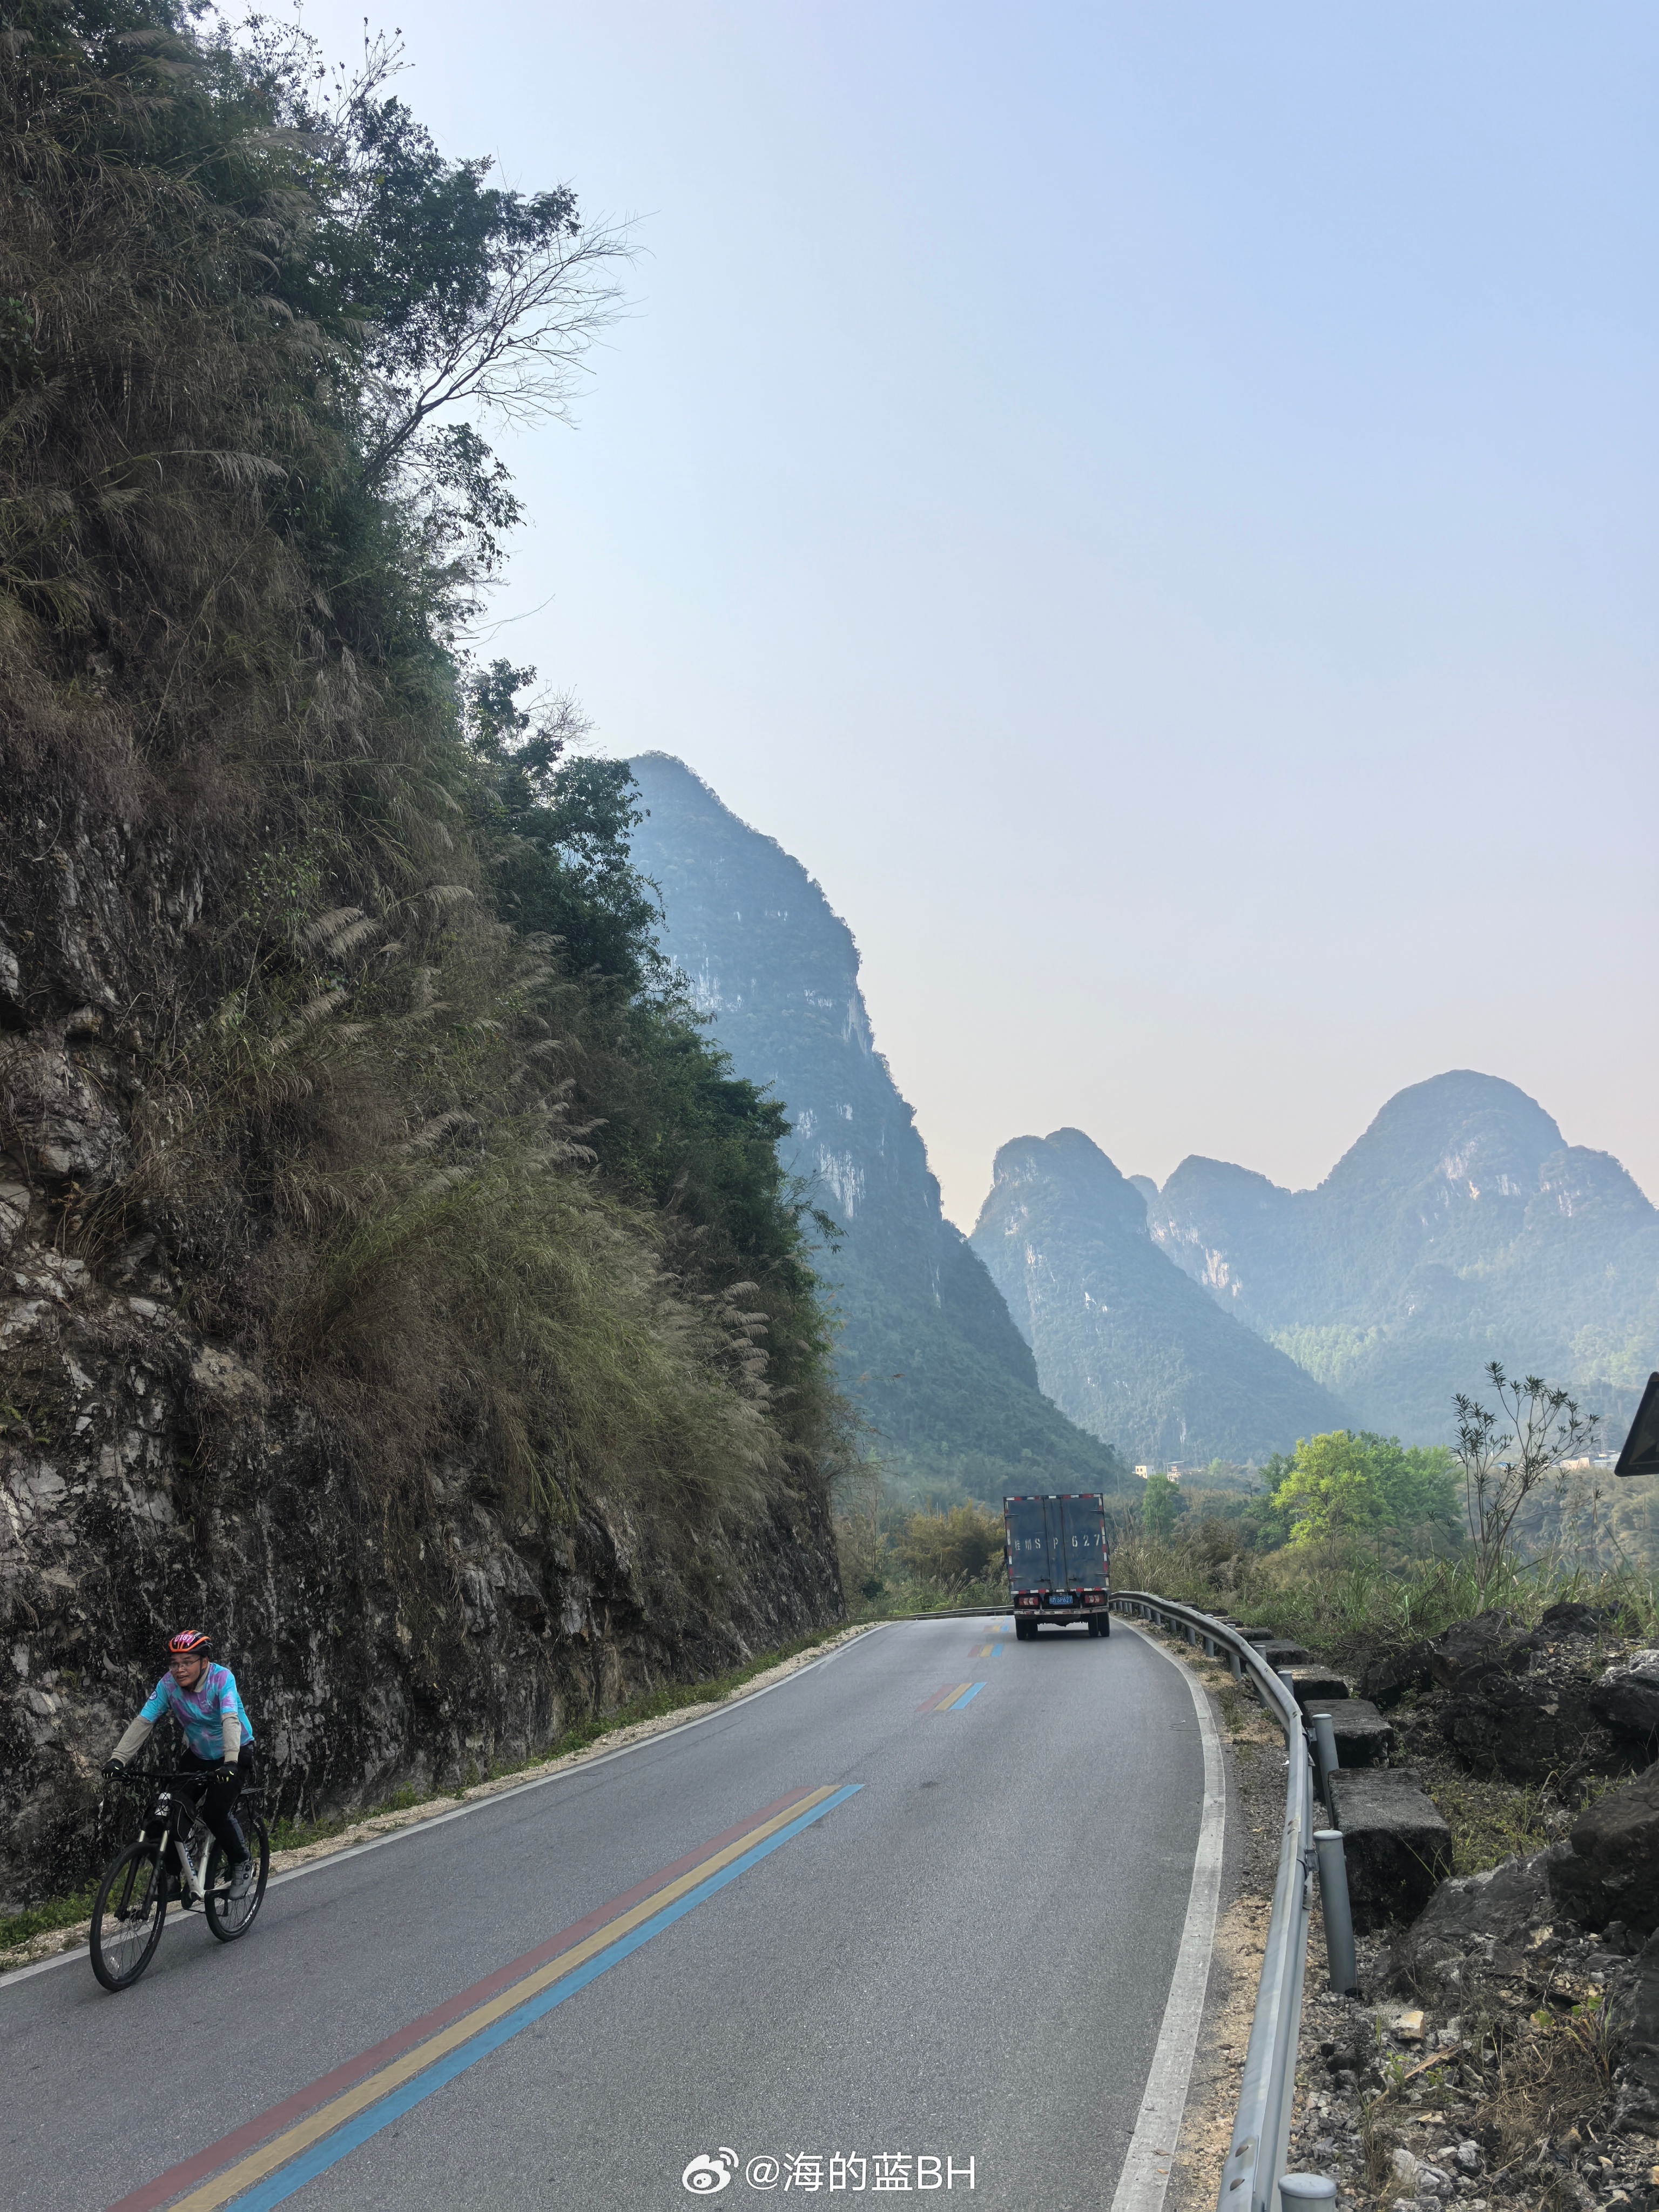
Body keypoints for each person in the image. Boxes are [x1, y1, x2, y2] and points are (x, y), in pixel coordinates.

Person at [103, 1630, 258, 1901]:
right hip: (199, 1755)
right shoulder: (168, 1685)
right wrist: (118, 1759)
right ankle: (172, 1876)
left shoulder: (222, 1679)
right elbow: (144, 1721)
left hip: (234, 1752)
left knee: (214, 1813)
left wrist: (231, 1762)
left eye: (187, 1662)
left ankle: (242, 1863)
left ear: (204, 1662)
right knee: (162, 1811)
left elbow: (230, 1719)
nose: (179, 1669)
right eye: (174, 1663)